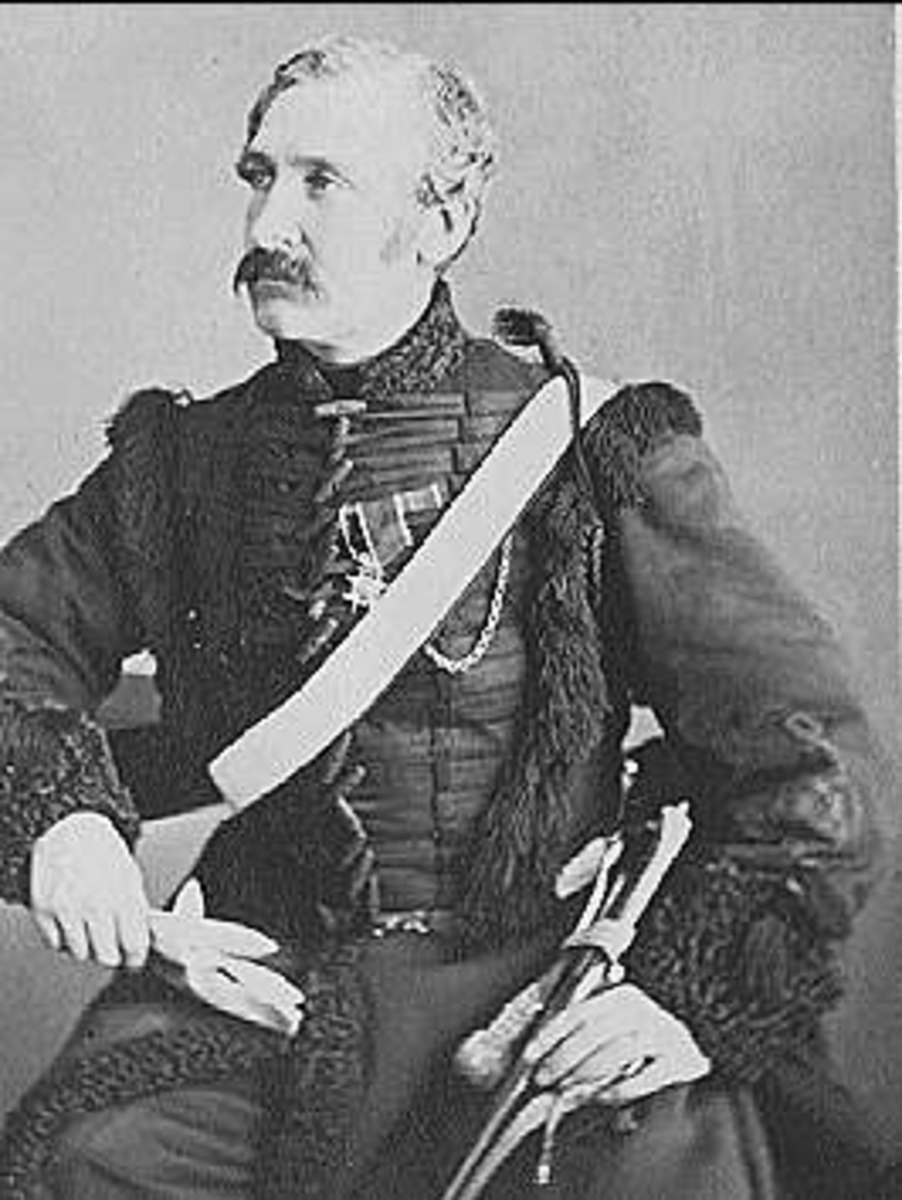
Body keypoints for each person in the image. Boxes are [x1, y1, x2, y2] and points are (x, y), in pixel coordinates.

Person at [0, 33, 894, 1200]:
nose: (268, 223)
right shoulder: (180, 461)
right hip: (267, 979)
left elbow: (804, 755)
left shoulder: (589, 453)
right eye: (259, 177)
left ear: (441, 219)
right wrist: (62, 819)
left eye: (321, 183)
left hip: (529, 983)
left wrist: (679, 996)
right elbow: (14, 635)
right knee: (85, 1166)